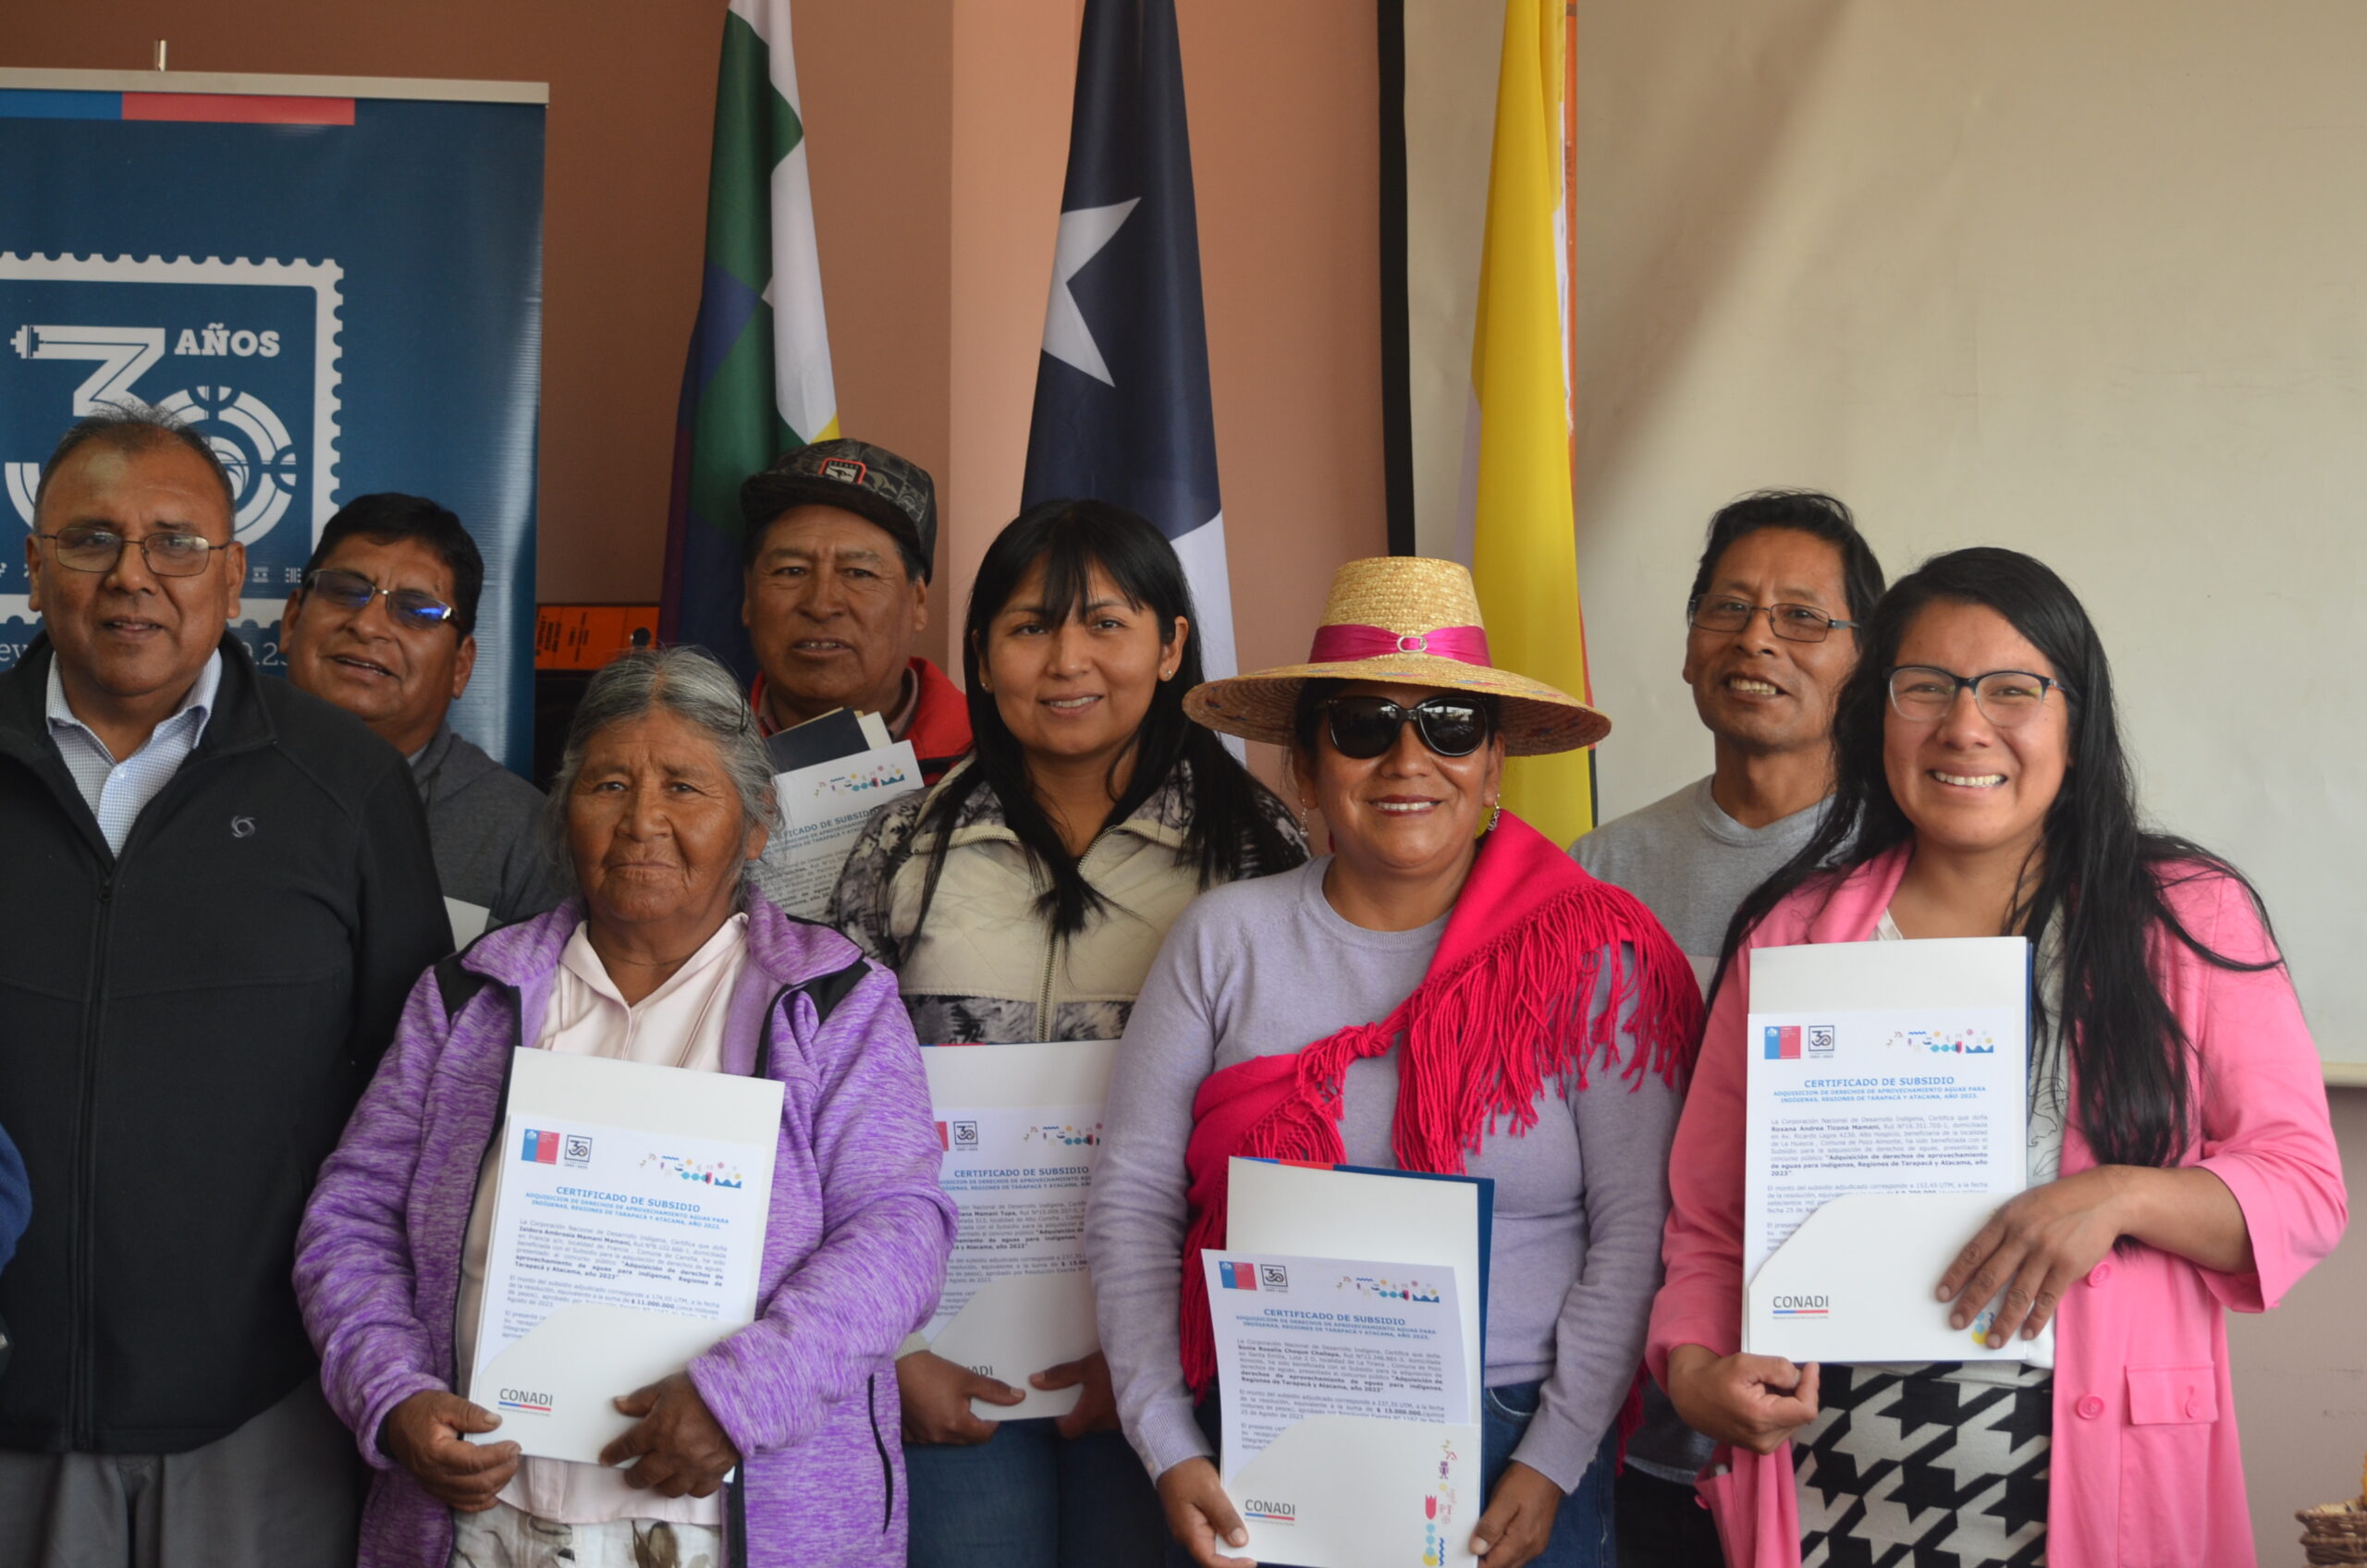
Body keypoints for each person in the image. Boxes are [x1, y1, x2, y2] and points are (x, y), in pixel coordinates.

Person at [1649, 547, 2348, 1568]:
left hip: (2101, 1497)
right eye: (1922, 687)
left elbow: (2302, 1187)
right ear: (1873, 716)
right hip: (1829, 1492)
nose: (1963, 726)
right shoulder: (1794, 934)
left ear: (2075, 718)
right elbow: (1709, 1219)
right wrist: (1693, 1365)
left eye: (2012, 690)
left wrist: (2118, 1196)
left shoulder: (2185, 914)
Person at [1085, 556, 1704, 1568]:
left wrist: (1550, 1458)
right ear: (1304, 764)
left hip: (1515, 1437)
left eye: (1451, 725)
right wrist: (1164, 1438)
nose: (1408, 758)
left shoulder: (1590, 953)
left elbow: (1636, 1226)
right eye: (1364, 725)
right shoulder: (1222, 940)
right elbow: (1133, 1197)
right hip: (1265, 1427)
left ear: (1494, 763)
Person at [294, 646, 958, 1568]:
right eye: (608, 784)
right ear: (564, 816)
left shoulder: (835, 1001)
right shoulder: (470, 996)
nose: (643, 820)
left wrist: (742, 1398)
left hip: (731, 1526)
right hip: (486, 1521)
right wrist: (393, 1391)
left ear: (756, 824)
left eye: (686, 787)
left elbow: (900, 1228)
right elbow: (351, 1213)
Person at [0, 406, 450, 1563]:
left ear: (238, 573)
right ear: (34, 561)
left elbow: (418, 1103)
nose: (133, 577)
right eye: (91, 539)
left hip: (266, 1410)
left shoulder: (343, 784)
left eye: (175, 543)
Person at [828, 499, 1306, 1568]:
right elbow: (830, 1099)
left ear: (1171, 643)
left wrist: (1161, 1359)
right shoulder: (903, 844)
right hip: (944, 1348)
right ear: (982, 653)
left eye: (1104, 623)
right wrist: (891, 1347)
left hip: (1173, 1361)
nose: (1066, 660)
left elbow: (1290, 1125)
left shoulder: (1254, 853)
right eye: (1029, 626)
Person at [1570, 491, 1883, 1564]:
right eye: (1728, 607)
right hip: (1632, 1416)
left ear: (1866, 659)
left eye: (1802, 616)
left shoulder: (1912, 867)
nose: (1756, 637)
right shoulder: (1597, 873)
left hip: (1848, 1421)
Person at [282, 491, 571, 934]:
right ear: (291, 620)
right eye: (344, 591)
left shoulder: (523, 837)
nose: (368, 625)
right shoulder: (192, 774)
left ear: (461, 666)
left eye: (417, 611)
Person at [739, 437, 972, 777]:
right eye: (792, 570)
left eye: (859, 573)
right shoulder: (689, 755)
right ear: (748, 595)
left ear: (918, 602)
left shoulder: (1000, 757)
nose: (821, 605)